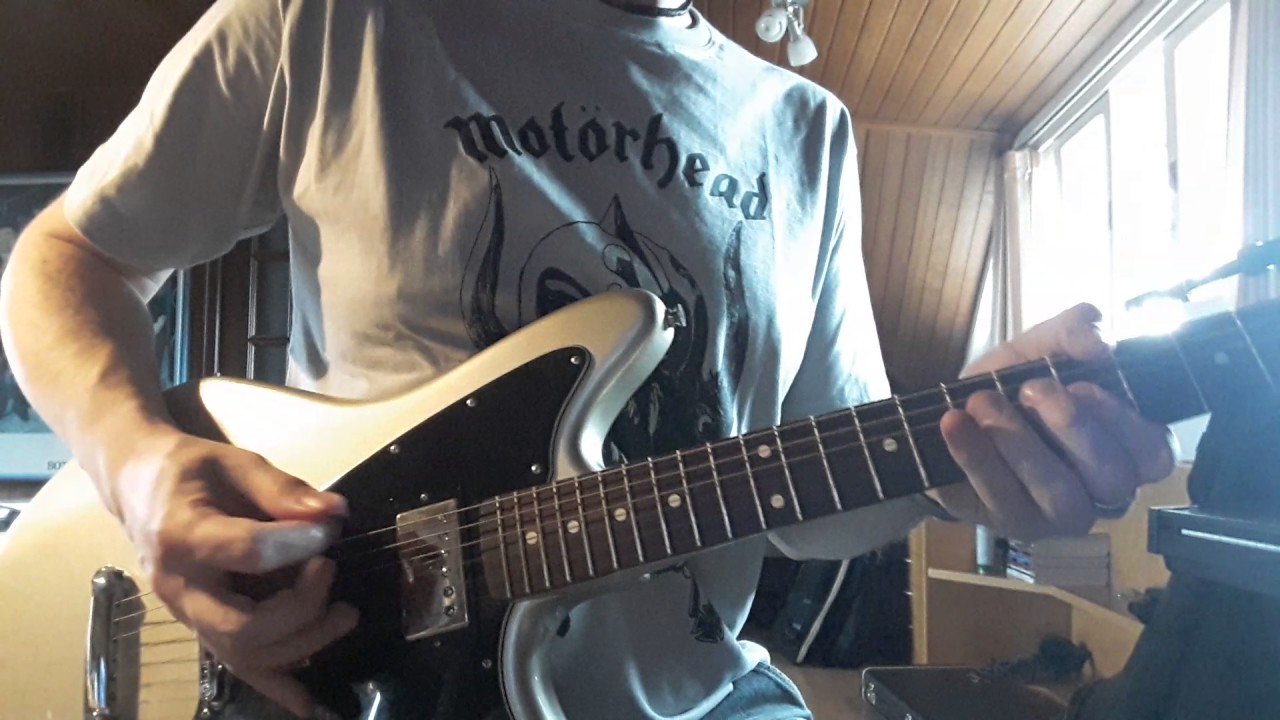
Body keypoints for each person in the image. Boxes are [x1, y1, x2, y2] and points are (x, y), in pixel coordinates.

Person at [0, 1, 1174, 718]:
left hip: (701, 698)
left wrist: (956, 456)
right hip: (354, 677)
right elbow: (67, 257)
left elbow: (809, 503)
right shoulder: (336, 17)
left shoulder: (803, 130)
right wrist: (137, 466)